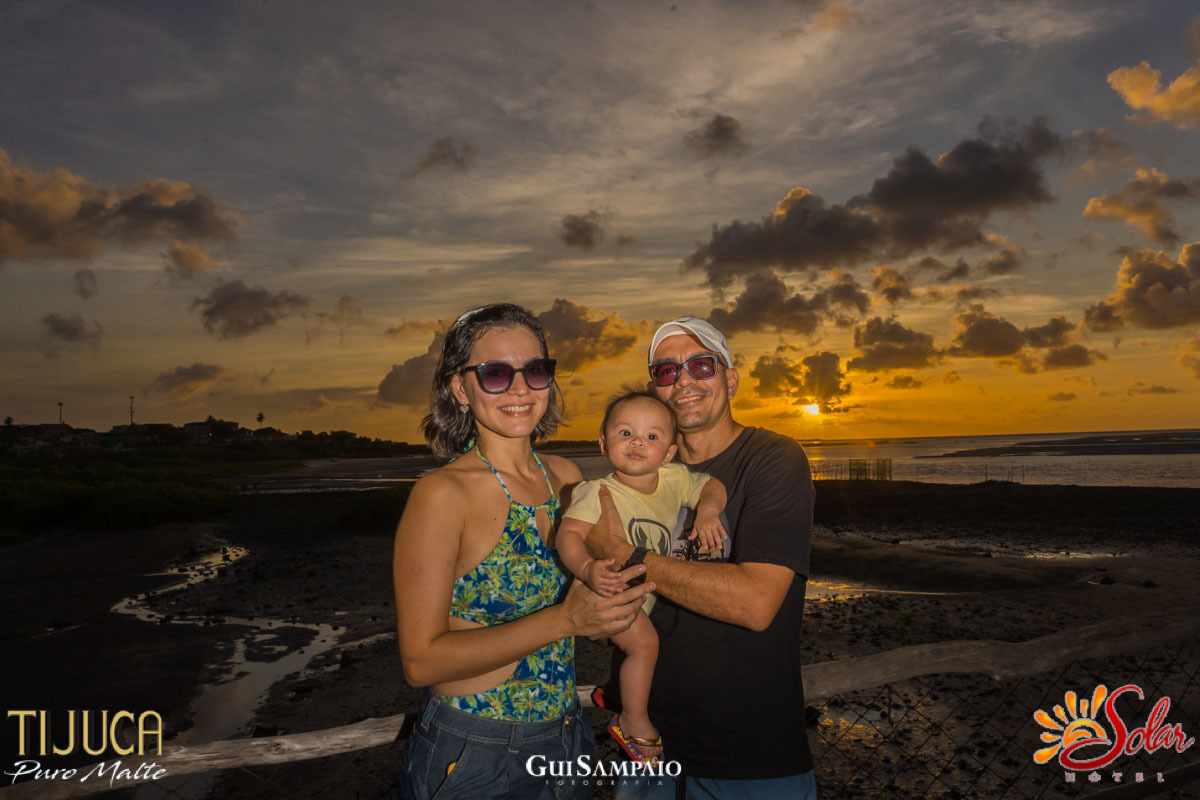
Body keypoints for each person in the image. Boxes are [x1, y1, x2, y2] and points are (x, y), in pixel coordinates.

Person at [392, 303, 655, 800]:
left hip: (566, 735)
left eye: (534, 371)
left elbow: (589, 607)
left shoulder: (566, 477)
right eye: (495, 373)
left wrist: (612, 603)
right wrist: (566, 620)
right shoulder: (442, 494)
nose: (519, 389)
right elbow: (420, 663)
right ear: (460, 388)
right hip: (476, 749)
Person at [585, 317, 819, 799]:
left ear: (730, 379)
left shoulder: (772, 459)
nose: (684, 380)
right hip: (647, 748)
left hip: (750, 756)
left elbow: (755, 605)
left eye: (701, 365)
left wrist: (625, 554)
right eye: (667, 371)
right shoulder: (637, 474)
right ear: (655, 389)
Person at [555, 390, 728, 765]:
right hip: (606, 589)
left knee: (643, 647)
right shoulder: (596, 492)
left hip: (640, 595)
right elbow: (567, 536)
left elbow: (712, 485)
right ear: (604, 444)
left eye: (651, 436)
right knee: (644, 646)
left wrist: (708, 512)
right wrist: (586, 569)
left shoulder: (674, 479)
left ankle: (614, 692)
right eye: (625, 433)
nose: (637, 442)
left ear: (668, 453)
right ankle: (632, 722)